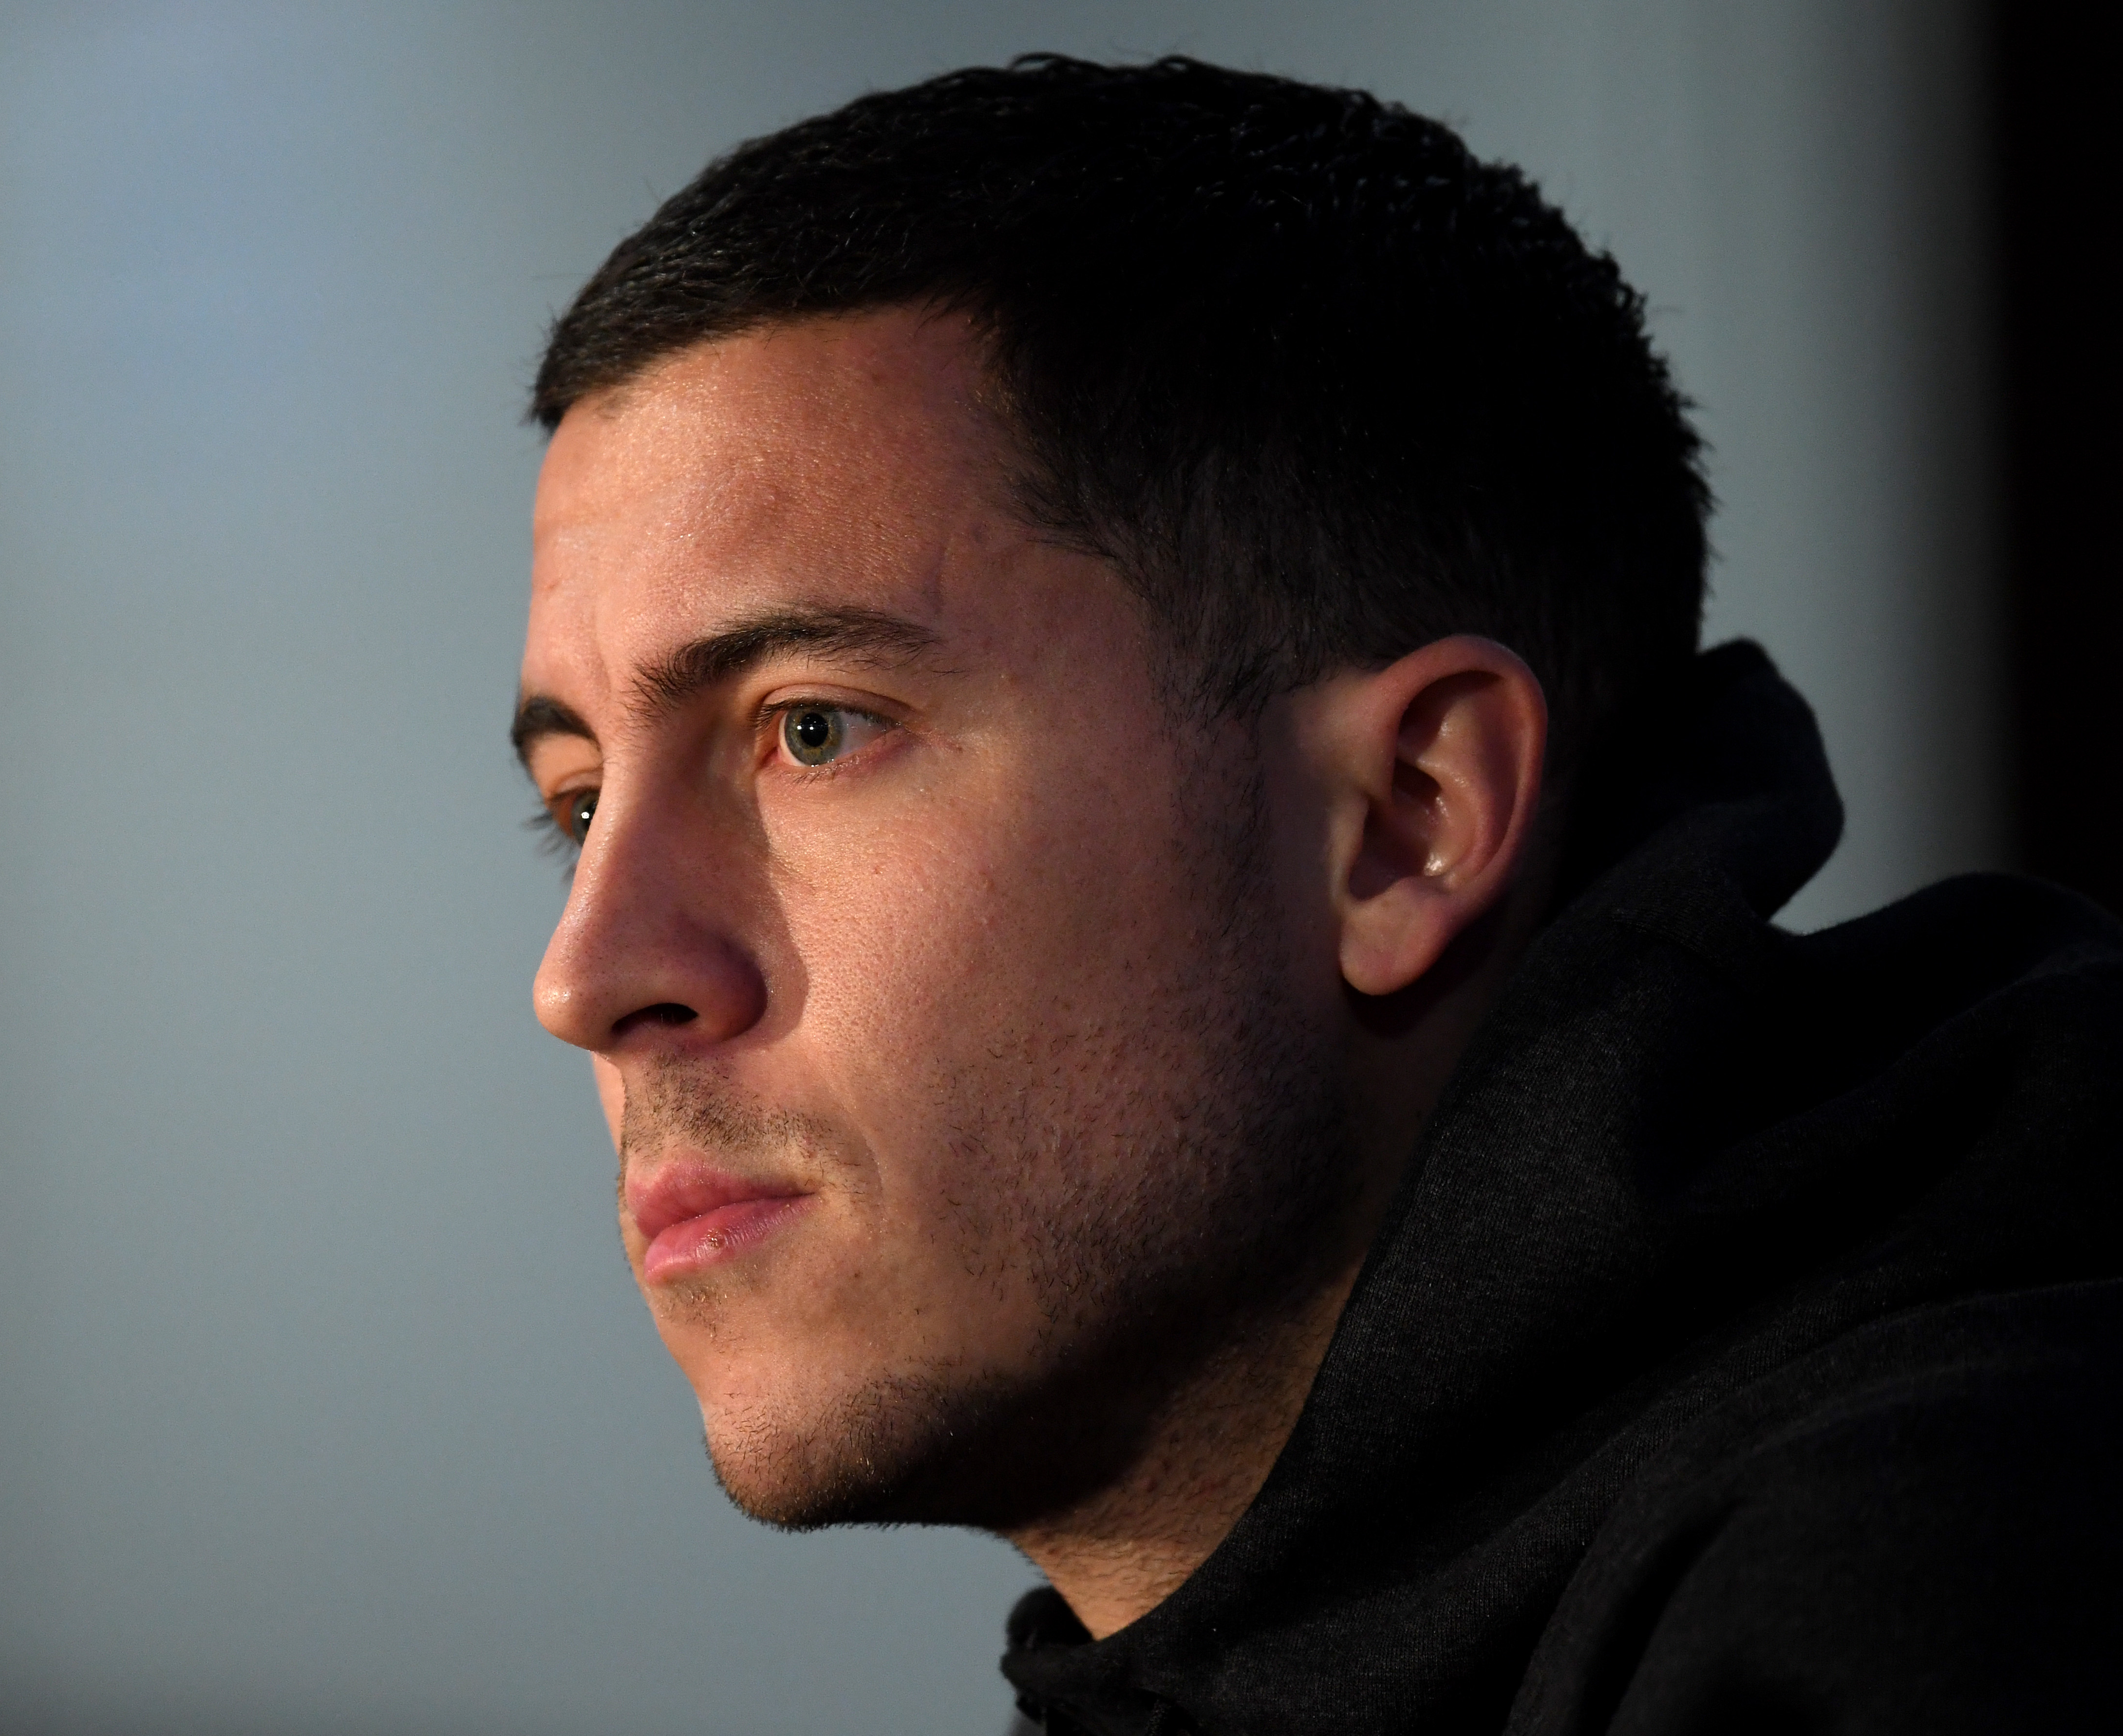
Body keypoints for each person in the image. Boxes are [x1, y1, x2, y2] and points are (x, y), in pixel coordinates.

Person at [508, 56, 2123, 1735]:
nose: (590, 976)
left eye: (813, 731)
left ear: (1405, 822)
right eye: (576, 801)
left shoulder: (1958, 1590)